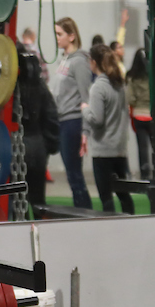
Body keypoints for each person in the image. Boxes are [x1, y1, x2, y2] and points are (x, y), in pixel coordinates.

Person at [82, 44, 134, 214]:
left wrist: (84, 109)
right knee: (124, 196)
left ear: (93, 62)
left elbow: (96, 120)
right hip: (119, 150)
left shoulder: (98, 87)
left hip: (103, 152)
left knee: (106, 199)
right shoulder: (119, 84)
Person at [53, 17, 93, 208]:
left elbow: (86, 98)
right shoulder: (65, 60)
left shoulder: (80, 62)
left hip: (73, 122)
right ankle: (81, 211)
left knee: (75, 175)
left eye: (59, 34)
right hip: (63, 120)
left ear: (72, 36)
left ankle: (85, 213)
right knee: (71, 174)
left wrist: (85, 131)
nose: (56, 38)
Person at [14, 43, 59, 209]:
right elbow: (51, 116)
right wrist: (49, 145)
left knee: (15, 201)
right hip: (37, 146)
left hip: (16, 146)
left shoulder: (7, 89)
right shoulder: (39, 86)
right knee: (38, 201)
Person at [125, 48, 153, 180]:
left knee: (142, 147)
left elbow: (130, 99)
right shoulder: (153, 76)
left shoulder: (131, 77)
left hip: (138, 115)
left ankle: (145, 174)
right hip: (152, 115)